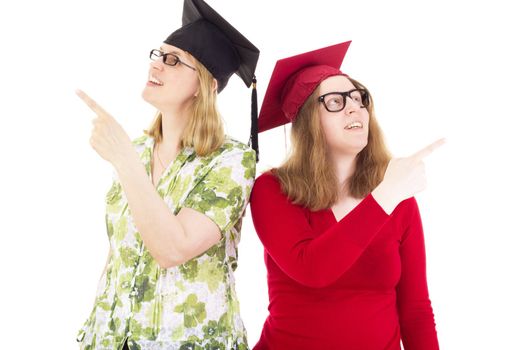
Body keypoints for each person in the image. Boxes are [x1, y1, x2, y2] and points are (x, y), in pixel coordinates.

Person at [75, 0, 259, 348]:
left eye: (173, 59)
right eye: (157, 55)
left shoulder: (231, 161)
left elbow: (173, 249)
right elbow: (120, 253)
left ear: (202, 84)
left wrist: (122, 159)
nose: (156, 64)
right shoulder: (138, 150)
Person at [250, 41, 442, 349]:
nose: (355, 106)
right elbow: (312, 268)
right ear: (307, 121)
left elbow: (415, 310)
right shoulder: (273, 190)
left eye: (358, 96)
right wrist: (384, 197)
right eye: (335, 101)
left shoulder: (398, 197)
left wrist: (389, 193)